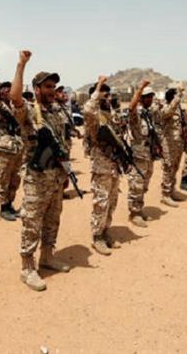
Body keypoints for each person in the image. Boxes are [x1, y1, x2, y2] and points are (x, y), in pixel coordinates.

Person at [11, 50, 71, 291]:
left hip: (56, 177)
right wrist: (21, 65)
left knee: (52, 219)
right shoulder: (28, 109)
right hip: (37, 179)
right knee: (31, 222)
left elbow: (64, 145)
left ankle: (47, 257)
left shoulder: (57, 111)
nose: (51, 90)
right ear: (36, 89)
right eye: (47, 86)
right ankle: (27, 268)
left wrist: (66, 172)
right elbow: (15, 97)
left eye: (53, 86)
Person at [83, 76, 123, 255]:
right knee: (101, 201)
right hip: (101, 165)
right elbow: (88, 109)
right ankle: (97, 236)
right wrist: (98, 88)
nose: (108, 99)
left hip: (114, 164)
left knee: (112, 201)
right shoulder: (94, 117)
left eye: (109, 96)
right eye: (104, 97)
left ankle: (106, 231)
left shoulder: (110, 115)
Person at [0, 81, 24, 221]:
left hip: (17, 145)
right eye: (5, 89)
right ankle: (3, 207)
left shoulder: (16, 106)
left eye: (10, 88)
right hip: (5, 146)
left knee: (15, 178)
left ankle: (10, 204)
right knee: (4, 177)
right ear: (0, 93)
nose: (8, 91)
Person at [126, 81, 159, 227]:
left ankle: (139, 208)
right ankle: (134, 213)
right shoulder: (137, 113)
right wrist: (139, 89)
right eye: (147, 97)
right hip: (139, 154)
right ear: (140, 98)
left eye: (151, 96)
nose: (150, 99)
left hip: (149, 153)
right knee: (136, 184)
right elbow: (130, 108)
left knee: (145, 184)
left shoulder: (148, 113)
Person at [157, 87, 187, 208]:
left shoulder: (179, 111)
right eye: (176, 96)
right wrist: (179, 94)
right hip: (168, 144)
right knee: (168, 167)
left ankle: (171, 190)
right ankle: (165, 195)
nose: (179, 98)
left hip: (178, 143)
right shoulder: (166, 108)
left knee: (175, 167)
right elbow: (167, 112)